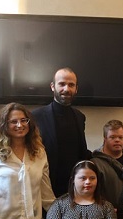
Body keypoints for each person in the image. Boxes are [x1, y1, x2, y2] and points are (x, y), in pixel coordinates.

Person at [32, 67, 91, 196]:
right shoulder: (36, 116)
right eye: (62, 84)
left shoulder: (80, 117)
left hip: (74, 188)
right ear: (53, 86)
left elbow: (81, 152)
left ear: (76, 89)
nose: (66, 89)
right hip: (46, 187)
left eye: (71, 85)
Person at [47, 160, 118, 219]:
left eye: (92, 178)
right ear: (73, 180)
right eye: (83, 178)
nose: (88, 182)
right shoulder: (58, 204)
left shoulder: (107, 206)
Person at [91, 119, 123, 219]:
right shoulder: (95, 164)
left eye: (120, 137)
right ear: (105, 139)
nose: (117, 140)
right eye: (112, 137)